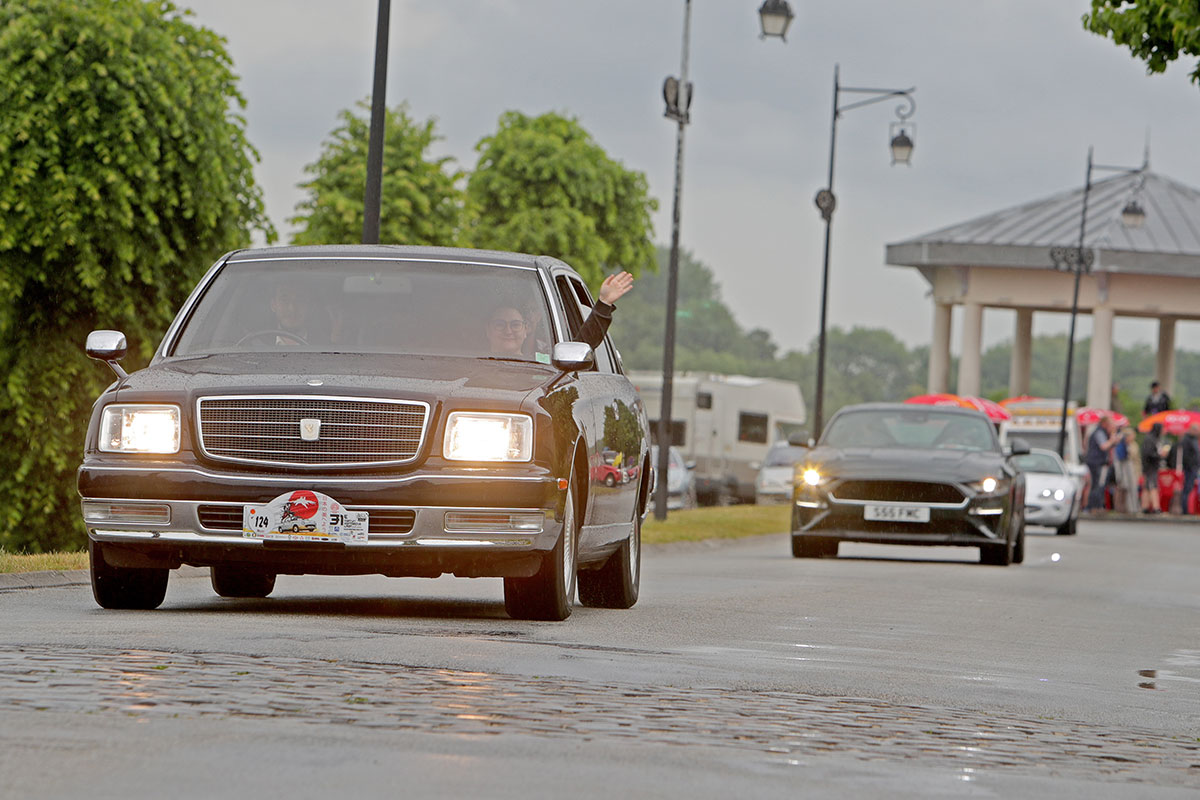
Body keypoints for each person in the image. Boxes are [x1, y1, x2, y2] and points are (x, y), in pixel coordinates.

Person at [1084, 415, 1120, 512]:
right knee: (1098, 485)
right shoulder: (1099, 432)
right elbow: (1104, 446)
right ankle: (1095, 506)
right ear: (1105, 424)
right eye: (1110, 425)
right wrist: (1112, 439)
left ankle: (1095, 506)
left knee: (1097, 484)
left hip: (1098, 462)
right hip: (1097, 463)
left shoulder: (1101, 432)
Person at [1170, 423, 1200, 515]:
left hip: (1193, 468)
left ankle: (1187, 508)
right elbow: (1185, 456)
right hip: (1189, 469)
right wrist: (1191, 466)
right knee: (1186, 489)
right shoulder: (1187, 440)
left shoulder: (1193, 440)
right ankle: (1184, 509)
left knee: (1189, 489)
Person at [1141, 422, 1164, 514]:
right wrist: (1159, 455)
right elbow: (1148, 453)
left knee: (1147, 487)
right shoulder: (1150, 439)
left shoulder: (1153, 439)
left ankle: (1145, 506)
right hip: (1150, 467)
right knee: (1153, 486)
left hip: (1151, 466)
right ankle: (1156, 507)